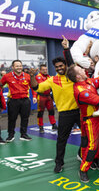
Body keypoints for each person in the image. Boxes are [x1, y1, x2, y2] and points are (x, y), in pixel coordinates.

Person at [30, 40, 80, 173]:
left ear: (65, 65)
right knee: (61, 140)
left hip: (80, 112)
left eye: (61, 65)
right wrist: (31, 76)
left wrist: (66, 48)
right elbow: (37, 87)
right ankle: (59, 163)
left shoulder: (73, 76)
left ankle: (83, 155)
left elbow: (72, 64)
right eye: (56, 67)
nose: (59, 68)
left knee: (87, 136)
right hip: (65, 114)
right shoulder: (52, 80)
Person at [66, 64, 99, 183]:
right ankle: (83, 170)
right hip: (90, 120)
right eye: (81, 70)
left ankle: (97, 162)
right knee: (92, 145)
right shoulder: (80, 90)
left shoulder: (88, 81)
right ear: (78, 76)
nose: (84, 69)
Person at [1, 60, 32, 142]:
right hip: (13, 101)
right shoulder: (7, 76)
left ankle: (23, 134)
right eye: (17, 66)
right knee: (12, 119)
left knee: (25, 118)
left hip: (25, 100)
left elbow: (33, 87)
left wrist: (35, 96)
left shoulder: (27, 76)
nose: (19, 67)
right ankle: (11, 135)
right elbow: (0, 85)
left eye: (20, 66)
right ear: (13, 67)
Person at [33, 64, 57, 133]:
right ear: (40, 70)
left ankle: (53, 124)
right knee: (40, 112)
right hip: (41, 96)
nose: (45, 71)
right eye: (43, 70)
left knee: (51, 111)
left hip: (48, 96)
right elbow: (35, 87)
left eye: (46, 69)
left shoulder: (49, 77)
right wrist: (34, 96)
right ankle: (40, 126)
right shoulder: (38, 77)